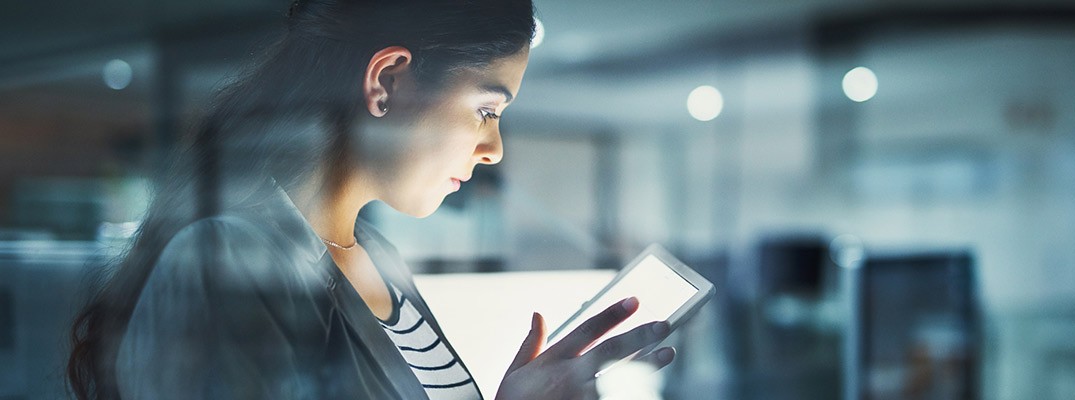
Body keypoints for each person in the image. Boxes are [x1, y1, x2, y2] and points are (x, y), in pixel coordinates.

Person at [66, 0, 675, 399]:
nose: (494, 149)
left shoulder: (377, 259)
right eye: (486, 110)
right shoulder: (229, 257)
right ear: (387, 81)